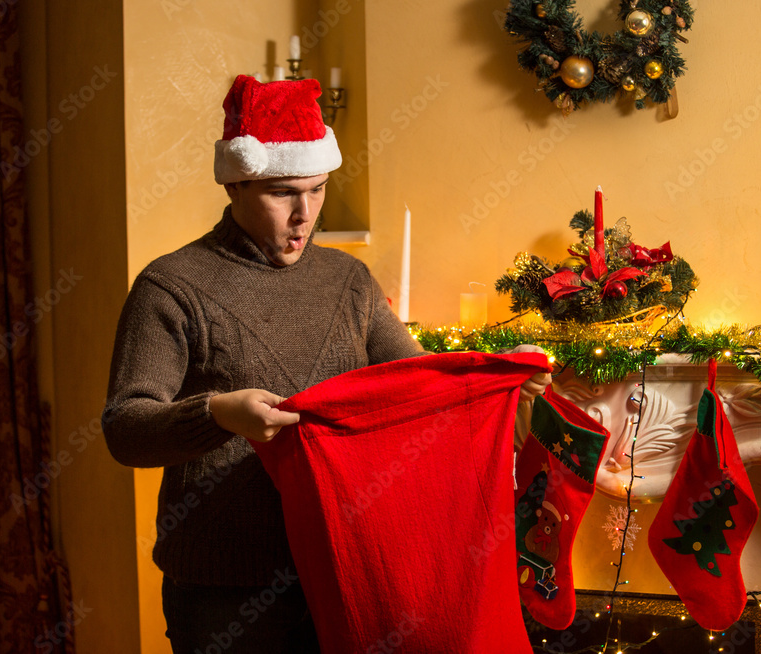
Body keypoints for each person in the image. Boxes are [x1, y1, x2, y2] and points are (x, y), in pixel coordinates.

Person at [102, 75, 550, 653]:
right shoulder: (172, 286)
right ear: (235, 183)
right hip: (225, 588)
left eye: (316, 190)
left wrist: (495, 378)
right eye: (283, 193)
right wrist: (216, 414)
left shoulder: (348, 280)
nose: (305, 213)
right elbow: (125, 428)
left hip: (350, 566)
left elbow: (417, 391)